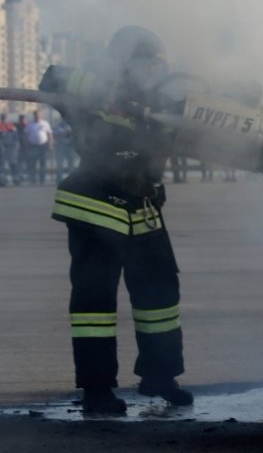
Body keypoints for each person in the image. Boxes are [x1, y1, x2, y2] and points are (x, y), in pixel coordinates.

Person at [47, 25, 193, 413]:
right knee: (95, 306)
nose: (152, 72)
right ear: (125, 64)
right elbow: (52, 75)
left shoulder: (160, 101)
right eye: (146, 64)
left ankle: (160, 376)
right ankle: (97, 391)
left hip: (143, 209)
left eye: (157, 65)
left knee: (160, 297)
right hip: (96, 209)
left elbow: (202, 114)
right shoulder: (94, 92)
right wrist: (107, 88)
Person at [24, 110, 53, 185]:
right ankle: (33, 180)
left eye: (38, 115)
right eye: (36, 115)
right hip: (33, 146)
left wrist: (50, 145)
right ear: (34, 116)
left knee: (42, 164)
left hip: (42, 146)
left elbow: (49, 134)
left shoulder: (45, 123)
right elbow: (26, 135)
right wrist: (27, 146)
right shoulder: (30, 124)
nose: (37, 116)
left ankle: (42, 180)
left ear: (41, 116)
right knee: (33, 164)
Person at [52, 118, 76, 182]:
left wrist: (70, 132)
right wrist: (65, 132)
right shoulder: (58, 125)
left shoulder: (72, 125)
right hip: (61, 146)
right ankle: (59, 180)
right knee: (60, 164)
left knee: (71, 165)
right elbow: (55, 134)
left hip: (70, 146)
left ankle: (72, 180)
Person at [0, 113, 20, 186]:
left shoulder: (11, 126)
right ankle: (2, 180)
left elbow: (16, 137)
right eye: (3, 118)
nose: (4, 119)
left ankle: (16, 179)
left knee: (13, 163)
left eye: (5, 118)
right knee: (2, 165)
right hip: (3, 148)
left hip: (11, 148)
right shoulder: (0, 126)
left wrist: (16, 145)